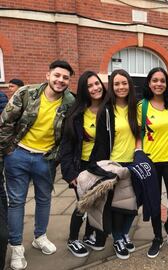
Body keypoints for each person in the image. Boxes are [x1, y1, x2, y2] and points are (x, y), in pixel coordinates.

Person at [0, 60, 75, 270]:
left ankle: (39, 236)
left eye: (65, 78)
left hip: (46, 159)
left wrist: (57, 157)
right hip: (18, 155)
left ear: (69, 81)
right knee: (16, 202)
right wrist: (8, 151)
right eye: (57, 75)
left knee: (44, 200)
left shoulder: (70, 102)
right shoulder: (26, 93)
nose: (60, 80)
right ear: (48, 75)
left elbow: (69, 135)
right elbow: (6, 121)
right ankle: (16, 247)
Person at [89, 69, 139, 260]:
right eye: (116, 84)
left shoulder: (136, 106)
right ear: (111, 86)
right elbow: (101, 141)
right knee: (117, 206)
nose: (121, 87)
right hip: (115, 164)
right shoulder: (106, 110)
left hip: (133, 163)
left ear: (130, 85)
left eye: (124, 83)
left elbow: (139, 133)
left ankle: (125, 233)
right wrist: (103, 168)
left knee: (133, 203)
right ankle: (118, 238)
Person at [60, 71, 107, 257]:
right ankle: (73, 239)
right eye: (90, 86)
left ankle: (88, 234)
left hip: (101, 166)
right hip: (80, 166)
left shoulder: (108, 110)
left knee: (96, 203)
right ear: (83, 90)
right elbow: (66, 146)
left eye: (97, 83)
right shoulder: (76, 113)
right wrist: (70, 174)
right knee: (83, 204)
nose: (95, 88)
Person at [138, 67, 168, 258]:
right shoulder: (142, 106)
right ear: (149, 83)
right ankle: (157, 237)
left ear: (167, 83)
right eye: (155, 80)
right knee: (154, 203)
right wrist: (138, 153)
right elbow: (136, 132)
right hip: (151, 161)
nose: (159, 84)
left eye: (162, 80)